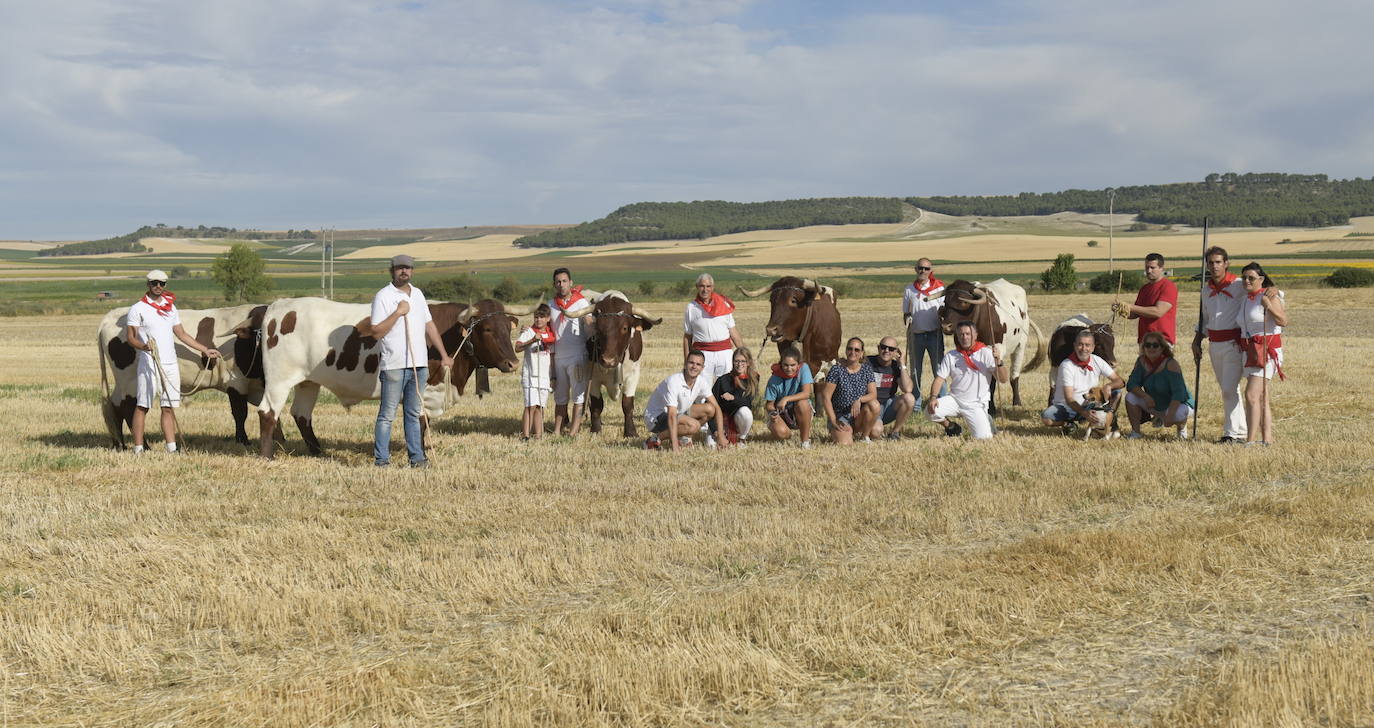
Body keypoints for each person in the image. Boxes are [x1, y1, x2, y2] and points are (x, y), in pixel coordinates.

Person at [125, 269, 222, 454]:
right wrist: (143, 346)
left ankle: (172, 448)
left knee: (168, 407)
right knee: (143, 405)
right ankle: (138, 449)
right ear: (148, 284)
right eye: (154, 283)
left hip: (170, 363)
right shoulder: (137, 309)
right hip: (149, 363)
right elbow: (131, 337)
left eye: (162, 283)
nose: (158, 286)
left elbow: (182, 334)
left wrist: (204, 350)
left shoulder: (171, 308)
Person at [371, 255, 453, 468]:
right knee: (387, 415)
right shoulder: (383, 296)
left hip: (419, 365)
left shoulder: (418, 294)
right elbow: (375, 332)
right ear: (392, 271)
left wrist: (444, 355)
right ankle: (381, 460)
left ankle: (417, 458)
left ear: (412, 271)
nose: (403, 271)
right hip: (394, 365)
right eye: (399, 268)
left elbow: (430, 326)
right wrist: (398, 313)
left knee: (414, 414)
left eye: (407, 268)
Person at [1190, 245, 1247, 443]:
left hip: (1233, 343)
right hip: (1214, 344)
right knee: (1228, 388)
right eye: (1211, 263)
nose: (1214, 266)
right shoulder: (1206, 290)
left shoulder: (1239, 285)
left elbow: (1261, 289)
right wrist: (1197, 340)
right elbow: (1205, 319)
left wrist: (1272, 289)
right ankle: (1241, 430)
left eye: (1218, 262)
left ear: (1226, 263)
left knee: (1229, 389)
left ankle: (1230, 433)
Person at [926, 320, 1007, 440]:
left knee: (983, 438)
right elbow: (939, 379)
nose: (964, 337)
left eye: (968, 334)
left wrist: (999, 361)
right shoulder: (951, 355)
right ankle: (952, 427)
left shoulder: (986, 353)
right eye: (961, 334)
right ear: (957, 336)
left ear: (975, 335)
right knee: (929, 412)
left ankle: (986, 420)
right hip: (955, 400)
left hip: (976, 404)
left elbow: (1003, 379)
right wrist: (933, 397)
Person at [1237, 262, 1287, 446]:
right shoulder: (1245, 299)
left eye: (1251, 278)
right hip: (1250, 352)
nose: (1247, 281)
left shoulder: (1268, 296)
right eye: (1244, 277)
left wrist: (1269, 305)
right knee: (1261, 396)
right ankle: (1267, 439)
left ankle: (1250, 441)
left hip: (1266, 352)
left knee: (1251, 395)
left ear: (1261, 279)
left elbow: (1283, 321)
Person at [1041, 329, 1125, 432]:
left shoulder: (1097, 361)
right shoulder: (1066, 365)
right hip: (1068, 407)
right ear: (1074, 346)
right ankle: (1068, 423)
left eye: (1087, 345)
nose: (1084, 348)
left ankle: (1104, 423)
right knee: (1046, 418)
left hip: (1090, 404)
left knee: (1117, 393)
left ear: (1093, 347)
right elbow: (1069, 398)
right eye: (1080, 345)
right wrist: (1084, 413)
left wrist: (1109, 386)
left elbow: (1120, 381)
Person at [643, 350, 727, 452]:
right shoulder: (673, 382)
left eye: (698, 364)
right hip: (657, 417)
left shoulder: (701, 381)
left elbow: (717, 407)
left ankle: (684, 437)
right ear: (686, 363)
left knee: (710, 409)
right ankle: (655, 439)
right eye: (691, 363)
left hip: (678, 413)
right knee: (694, 425)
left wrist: (721, 436)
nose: (694, 367)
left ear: (702, 368)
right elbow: (671, 415)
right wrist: (675, 448)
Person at [1124, 331, 1195, 440]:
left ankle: (1182, 428)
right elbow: (1131, 384)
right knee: (1130, 397)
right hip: (1154, 403)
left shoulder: (1171, 364)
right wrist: (1145, 396)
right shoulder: (1141, 362)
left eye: (1155, 345)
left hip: (1179, 403)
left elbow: (1179, 393)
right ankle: (1136, 432)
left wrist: (1170, 416)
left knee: (1178, 414)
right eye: (1147, 345)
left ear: (1162, 348)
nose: (1151, 348)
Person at [548, 267, 593, 436]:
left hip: (577, 356)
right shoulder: (550, 305)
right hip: (558, 357)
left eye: (564, 281)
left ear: (571, 283)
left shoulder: (581, 303)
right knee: (560, 397)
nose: (561, 284)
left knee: (578, 396)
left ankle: (573, 431)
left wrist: (591, 323)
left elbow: (589, 326)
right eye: (558, 282)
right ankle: (557, 430)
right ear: (554, 284)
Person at [683, 273, 743, 382]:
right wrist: (687, 360)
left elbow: (733, 332)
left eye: (708, 286)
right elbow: (687, 337)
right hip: (702, 354)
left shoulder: (724, 305)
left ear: (712, 287)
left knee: (726, 388)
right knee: (702, 390)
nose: (705, 289)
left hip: (725, 354)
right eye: (702, 286)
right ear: (697, 287)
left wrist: (744, 354)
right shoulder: (691, 308)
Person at [902, 258, 946, 406]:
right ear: (915, 269)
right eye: (920, 268)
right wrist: (907, 318)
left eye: (926, 269)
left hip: (935, 334)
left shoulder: (939, 288)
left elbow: (944, 311)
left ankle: (942, 401)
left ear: (930, 271)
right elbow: (906, 312)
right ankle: (916, 404)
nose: (923, 271)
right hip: (916, 335)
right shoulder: (909, 290)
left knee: (939, 369)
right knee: (915, 370)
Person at [821, 337, 878, 445]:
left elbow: (873, 394)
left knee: (874, 405)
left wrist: (859, 400)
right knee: (845, 444)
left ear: (862, 353)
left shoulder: (867, 369)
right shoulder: (837, 370)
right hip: (840, 416)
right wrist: (833, 420)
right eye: (850, 349)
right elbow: (825, 397)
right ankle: (841, 432)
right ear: (846, 351)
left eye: (857, 350)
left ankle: (864, 437)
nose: (853, 352)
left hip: (858, 415)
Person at [1114, 252, 1178, 343]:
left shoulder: (1168, 286)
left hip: (1162, 340)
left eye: (1152, 268)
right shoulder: (1144, 289)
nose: (1148, 271)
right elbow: (1135, 314)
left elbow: (1158, 312)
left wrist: (1131, 307)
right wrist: (1120, 309)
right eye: (1147, 267)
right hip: (1144, 340)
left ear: (1161, 268)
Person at [514, 303, 556, 441]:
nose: (539, 320)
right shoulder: (529, 332)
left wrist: (553, 376)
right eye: (536, 317)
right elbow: (518, 348)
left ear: (548, 318)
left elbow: (552, 355)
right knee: (530, 406)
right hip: (530, 375)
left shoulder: (551, 335)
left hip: (544, 376)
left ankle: (538, 435)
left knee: (540, 407)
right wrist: (532, 340)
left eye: (542, 317)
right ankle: (525, 435)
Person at [764, 347, 815, 448]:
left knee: (803, 403)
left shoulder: (804, 368)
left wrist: (785, 399)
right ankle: (787, 434)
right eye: (785, 365)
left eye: (793, 365)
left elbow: (806, 393)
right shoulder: (774, 379)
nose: (789, 368)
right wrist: (773, 413)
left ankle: (805, 441)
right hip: (782, 413)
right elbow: (769, 405)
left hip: (800, 409)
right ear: (780, 364)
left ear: (799, 365)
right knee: (781, 433)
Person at [866, 336, 916, 440]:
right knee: (876, 432)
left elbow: (908, 389)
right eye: (883, 347)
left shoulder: (896, 366)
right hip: (871, 406)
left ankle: (895, 433)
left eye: (891, 349)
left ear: (895, 352)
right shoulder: (867, 362)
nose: (886, 351)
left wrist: (902, 364)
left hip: (888, 405)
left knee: (909, 398)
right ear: (878, 348)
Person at [710, 347, 759, 445]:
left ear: (748, 362)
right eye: (736, 361)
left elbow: (748, 402)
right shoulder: (722, 380)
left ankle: (742, 438)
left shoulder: (753, 379)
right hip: (720, 420)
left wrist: (733, 398)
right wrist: (715, 430)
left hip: (738, 418)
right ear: (732, 362)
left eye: (743, 361)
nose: (739, 364)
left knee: (745, 412)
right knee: (711, 446)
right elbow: (710, 407)